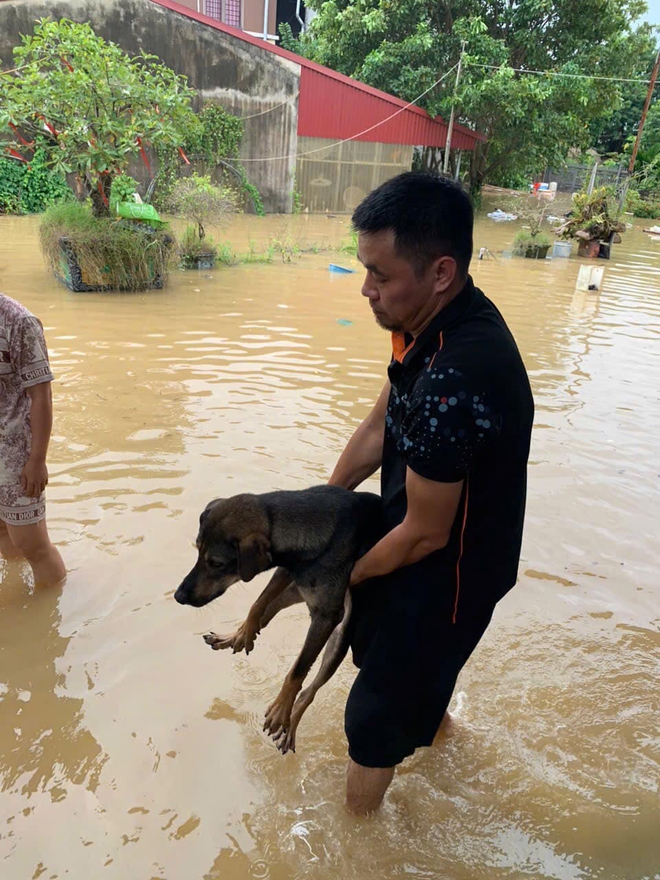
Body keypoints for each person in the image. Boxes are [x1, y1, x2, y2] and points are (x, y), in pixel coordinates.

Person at [328, 172, 534, 814]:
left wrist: (340, 575)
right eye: (365, 271)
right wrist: (327, 512)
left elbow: (424, 533)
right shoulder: (435, 323)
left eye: (380, 276)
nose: (366, 290)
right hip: (426, 544)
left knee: (374, 715)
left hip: (448, 572)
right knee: (410, 676)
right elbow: (375, 427)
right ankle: (447, 740)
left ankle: (356, 836)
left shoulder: (457, 376)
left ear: (441, 271)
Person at [0, 292, 66, 586]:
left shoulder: (19, 321)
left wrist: (37, 460)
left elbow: (42, 396)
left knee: (34, 546)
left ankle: (50, 615)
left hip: (16, 455)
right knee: (2, 532)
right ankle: (19, 587)